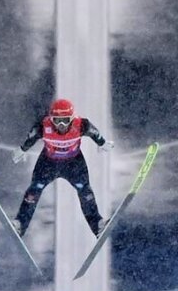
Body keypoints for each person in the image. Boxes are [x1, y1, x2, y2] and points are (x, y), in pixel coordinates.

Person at [11, 98, 114, 237]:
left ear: (72, 118)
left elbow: (95, 133)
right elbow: (31, 137)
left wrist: (102, 144)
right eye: (56, 120)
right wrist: (22, 150)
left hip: (73, 164)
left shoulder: (82, 124)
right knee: (34, 190)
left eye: (65, 120)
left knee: (85, 191)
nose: (61, 125)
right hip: (48, 163)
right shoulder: (42, 126)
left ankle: (98, 225)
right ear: (50, 119)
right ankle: (20, 224)